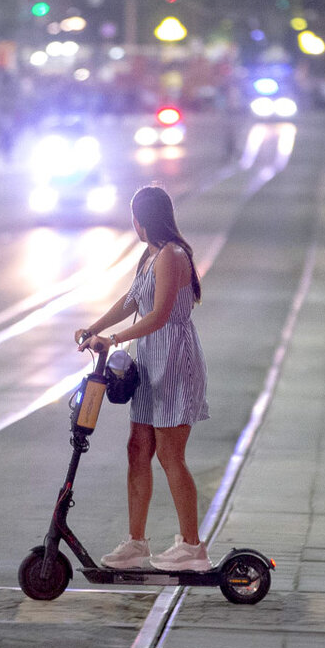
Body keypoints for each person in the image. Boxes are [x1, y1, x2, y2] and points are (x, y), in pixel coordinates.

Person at [74, 185, 210, 572]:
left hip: (174, 359)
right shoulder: (150, 255)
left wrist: (113, 339)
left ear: (142, 219)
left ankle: (192, 547)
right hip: (151, 362)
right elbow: (132, 301)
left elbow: (160, 315)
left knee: (170, 454)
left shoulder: (172, 256)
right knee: (138, 448)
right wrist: (93, 328)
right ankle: (136, 543)